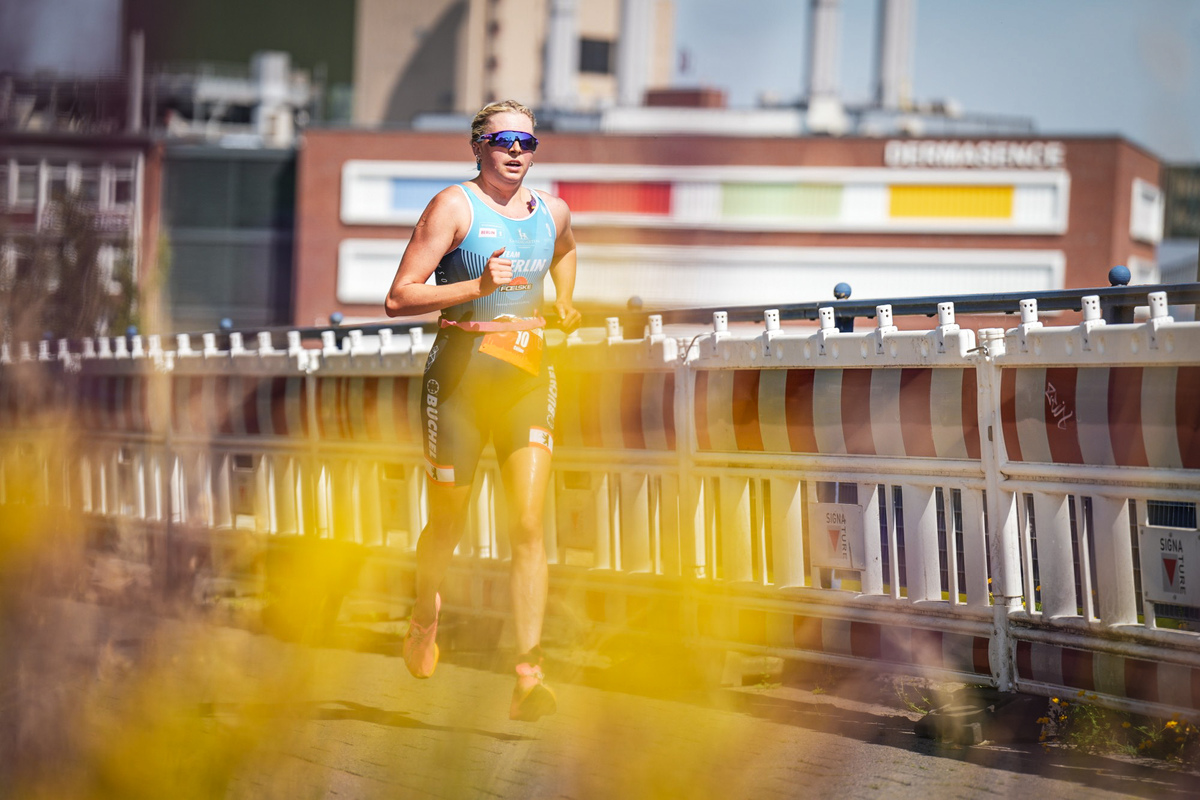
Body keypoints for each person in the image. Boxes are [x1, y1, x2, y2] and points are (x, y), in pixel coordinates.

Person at [384, 100, 581, 722]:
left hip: (528, 376)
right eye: (502, 140)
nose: (516, 150)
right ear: (478, 146)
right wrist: (479, 287)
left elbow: (566, 249)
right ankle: (424, 614)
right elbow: (398, 298)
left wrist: (565, 300)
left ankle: (528, 673)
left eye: (527, 141)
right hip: (460, 378)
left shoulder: (553, 210)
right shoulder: (453, 206)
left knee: (528, 523)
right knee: (449, 520)